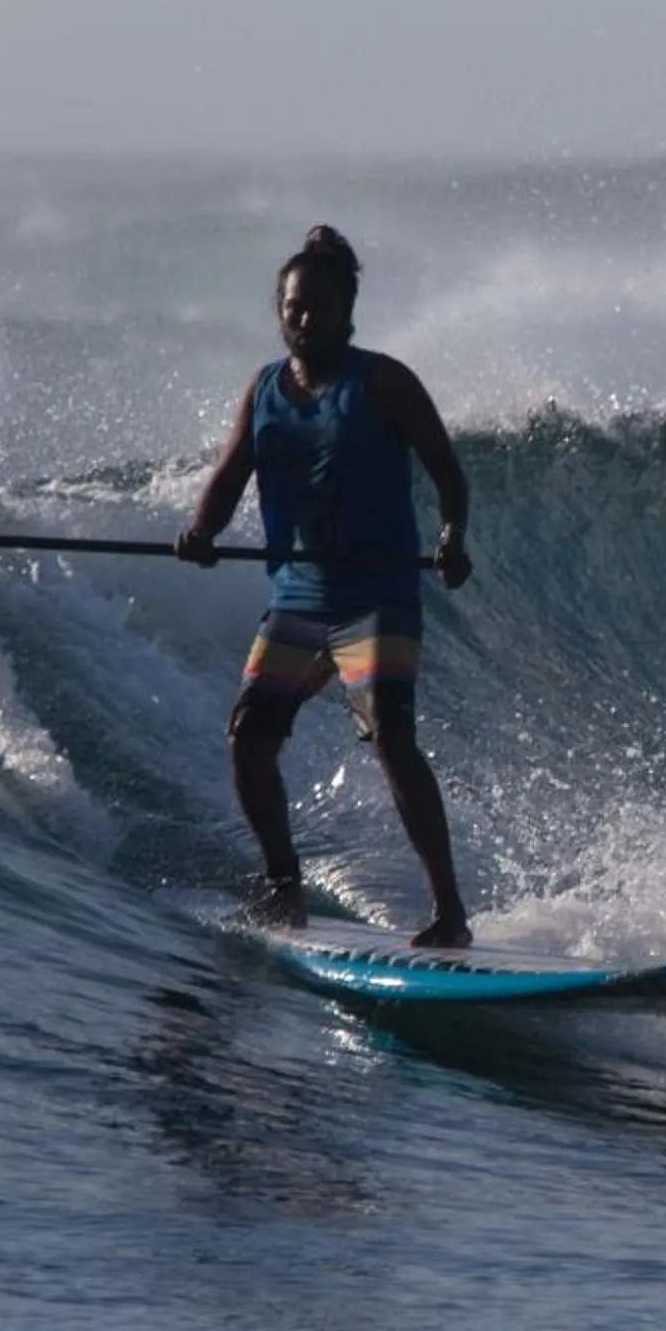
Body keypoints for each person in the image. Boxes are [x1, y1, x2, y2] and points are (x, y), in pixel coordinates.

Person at [177, 226, 476, 946]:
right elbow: (229, 477)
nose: (302, 319)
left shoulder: (383, 382)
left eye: (317, 306)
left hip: (378, 600)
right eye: (291, 306)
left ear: (349, 309)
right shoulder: (264, 389)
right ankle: (285, 891)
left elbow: (448, 471)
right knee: (249, 740)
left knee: (391, 737)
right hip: (299, 600)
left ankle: (449, 913)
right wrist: (202, 531)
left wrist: (451, 536)